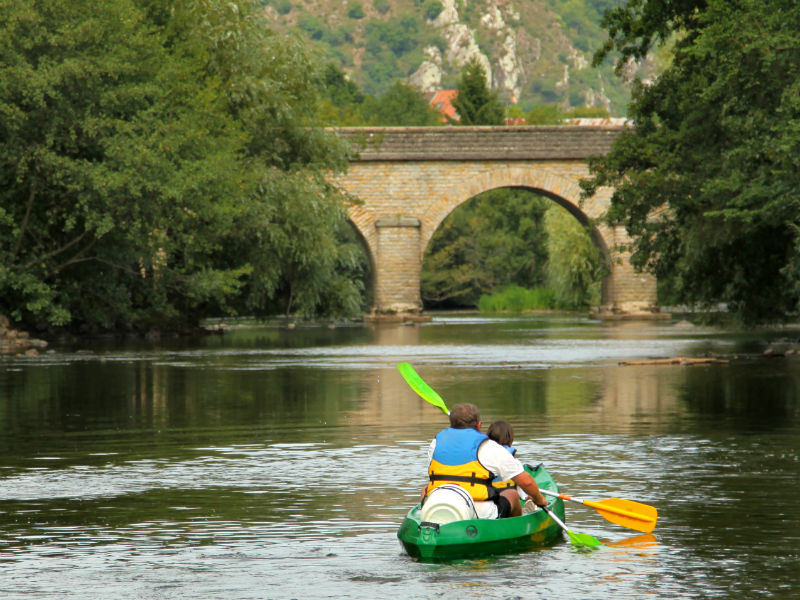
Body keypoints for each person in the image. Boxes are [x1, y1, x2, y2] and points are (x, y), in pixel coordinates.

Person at [424, 403, 548, 519]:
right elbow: (526, 482)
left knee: (425, 489)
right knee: (512, 494)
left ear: (451, 424)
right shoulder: (488, 446)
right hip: (479, 511)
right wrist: (539, 499)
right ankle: (514, 527)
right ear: (479, 425)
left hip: (438, 503)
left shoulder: (435, 443)